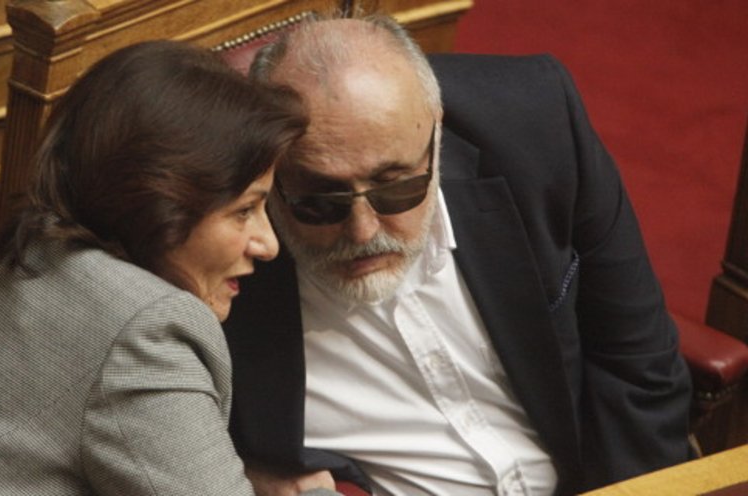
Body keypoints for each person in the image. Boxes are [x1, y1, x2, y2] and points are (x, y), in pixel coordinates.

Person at [222, 14, 693, 496]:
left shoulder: (536, 121)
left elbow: (638, 363)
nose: (363, 232)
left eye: (397, 188)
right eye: (321, 202)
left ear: (436, 131)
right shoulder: (215, 253)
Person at [0, 40, 336, 495]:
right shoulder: (144, 329)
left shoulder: (42, 250)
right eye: (244, 210)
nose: (268, 244)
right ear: (161, 201)